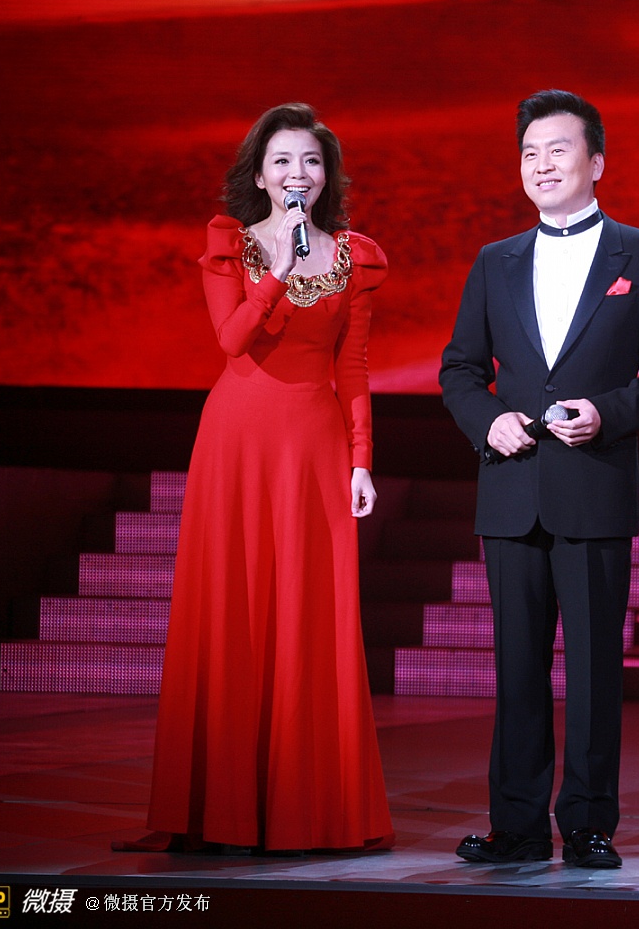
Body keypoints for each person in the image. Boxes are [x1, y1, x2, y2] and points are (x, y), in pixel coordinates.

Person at [123, 103, 393, 852]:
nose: (297, 174)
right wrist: (277, 270)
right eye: (282, 161)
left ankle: (306, 807)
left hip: (312, 444)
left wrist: (361, 459)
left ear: (327, 176)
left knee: (310, 612)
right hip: (237, 440)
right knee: (231, 607)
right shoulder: (229, 245)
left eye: (310, 161)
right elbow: (233, 338)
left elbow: (353, 365)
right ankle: (221, 809)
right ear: (261, 175)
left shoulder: (356, 257)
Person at [440, 90, 639, 869]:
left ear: (597, 162)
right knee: (516, 669)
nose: (542, 164)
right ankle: (516, 826)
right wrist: (489, 421)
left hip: (594, 485)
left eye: (558, 149)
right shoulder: (495, 261)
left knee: (592, 670)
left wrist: (606, 413)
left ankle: (587, 822)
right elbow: (459, 370)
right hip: (512, 489)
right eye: (530, 153)